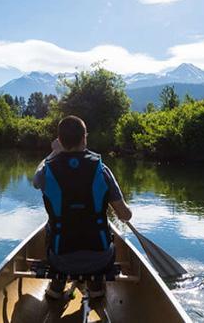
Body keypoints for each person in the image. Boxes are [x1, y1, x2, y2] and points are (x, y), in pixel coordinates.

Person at [32, 115, 133, 299]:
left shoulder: (47, 171)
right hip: (100, 260)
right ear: (84, 138)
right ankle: (95, 286)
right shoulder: (102, 170)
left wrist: (53, 153)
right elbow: (125, 215)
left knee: (50, 226)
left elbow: (35, 180)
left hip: (59, 260)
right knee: (106, 227)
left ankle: (57, 285)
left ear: (60, 141)